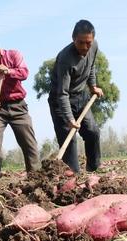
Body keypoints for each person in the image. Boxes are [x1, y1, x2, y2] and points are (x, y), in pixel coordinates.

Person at [0, 31, 41, 182]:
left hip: (18, 106)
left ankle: (36, 175)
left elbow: (24, 72)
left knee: (28, 141)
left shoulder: (13, 55)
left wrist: (9, 71)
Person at [48, 19, 104, 173]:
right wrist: (69, 118)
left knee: (92, 131)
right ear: (73, 39)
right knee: (69, 140)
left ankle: (94, 170)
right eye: (81, 43)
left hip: (81, 96)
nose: (86, 47)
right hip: (60, 101)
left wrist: (93, 86)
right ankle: (73, 176)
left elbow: (91, 66)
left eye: (89, 43)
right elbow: (62, 93)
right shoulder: (65, 58)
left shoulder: (94, 46)